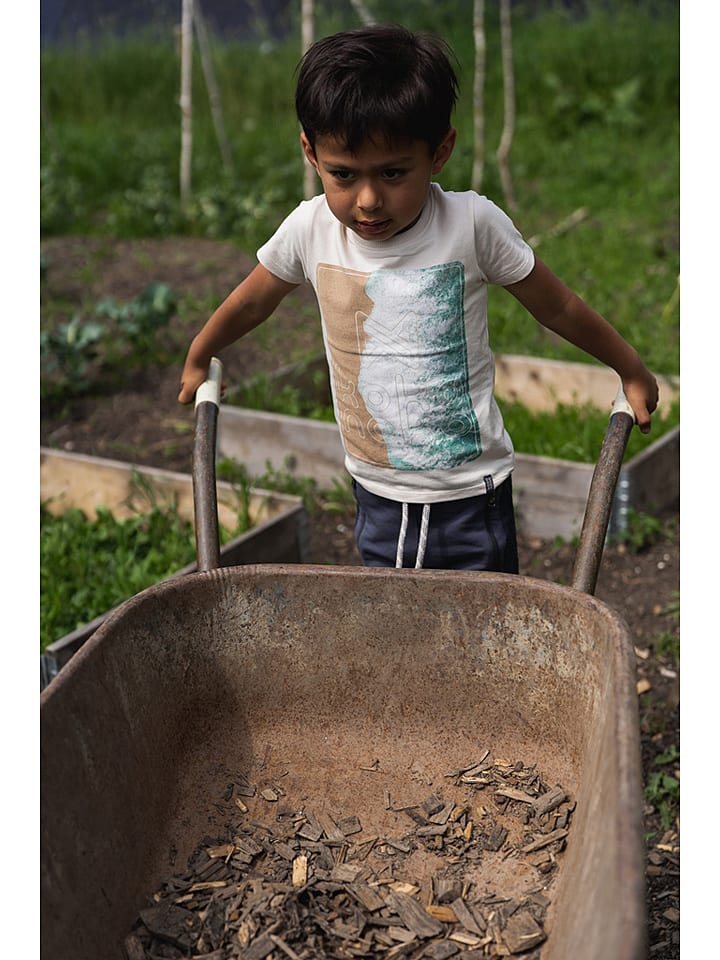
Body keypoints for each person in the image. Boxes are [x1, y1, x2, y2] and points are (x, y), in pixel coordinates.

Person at [178, 24, 659, 572]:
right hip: (375, 490)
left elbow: (558, 307)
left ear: (440, 152)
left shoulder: (470, 224)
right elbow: (251, 302)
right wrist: (201, 351)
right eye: (343, 174)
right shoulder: (310, 230)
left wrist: (630, 369)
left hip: (470, 496)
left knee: (478, 638)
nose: (367, 200)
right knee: (399, 637)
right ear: (311, 153)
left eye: (392, 173)